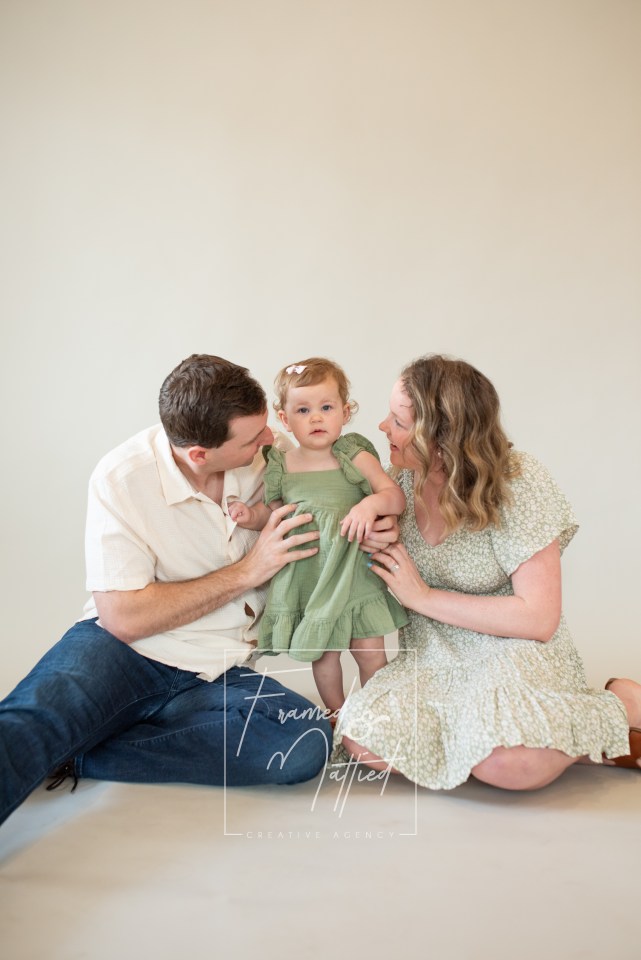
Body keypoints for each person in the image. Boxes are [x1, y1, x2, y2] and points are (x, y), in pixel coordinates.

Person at [0, 354, 341, 827]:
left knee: (305, 743)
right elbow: (123, 617)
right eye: (252, 438)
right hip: (121, 651)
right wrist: (248, 571)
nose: (270, 437)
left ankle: (79, 753)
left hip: (218, 668)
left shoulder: (276, 457)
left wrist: (372, 522)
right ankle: (59, 740)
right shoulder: (122, 477)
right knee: (28, 723)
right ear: (198, 454)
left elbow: (337, 499)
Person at [334, 354, 641, 790]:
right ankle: (500, 740)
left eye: (399, 422)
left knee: (509, 767)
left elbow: (538, 617)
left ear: (443, 438)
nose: (383, 427)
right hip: (433, 653)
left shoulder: (518, 481)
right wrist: (366, 534)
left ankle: (615, 707)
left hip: (509, 648)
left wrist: (422, 597)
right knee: (363, 739)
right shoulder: (396, 483)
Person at [230, 357, 408, 718]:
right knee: (324, 656)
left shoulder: (353, 454)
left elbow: (394, 496)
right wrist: (251, 516)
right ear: (285, 419)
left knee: (370, 652)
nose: (316, 418)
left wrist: (370, 505)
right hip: (312, 574)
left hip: (355, 572)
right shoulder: (281, 464)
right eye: (303, 410)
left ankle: (378, 717)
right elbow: (275, 514)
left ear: (345, 412)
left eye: (326, 408)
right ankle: (337, 715)